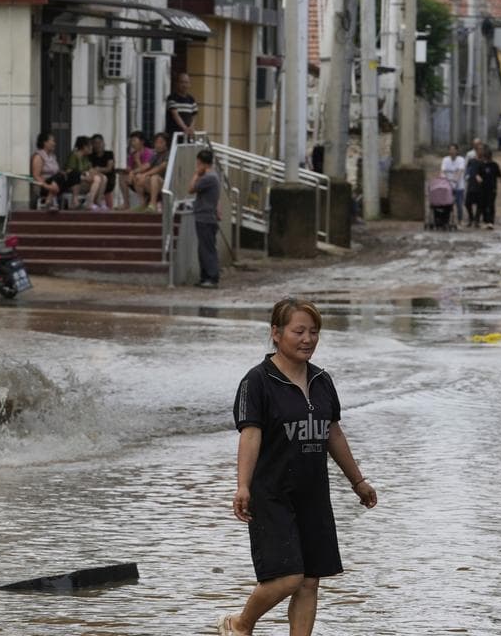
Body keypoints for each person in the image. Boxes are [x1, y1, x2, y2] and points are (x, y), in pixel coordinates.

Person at [221, 298, 377, 636]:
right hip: (272, 494)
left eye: (314, 332)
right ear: (276, 334)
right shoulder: (257, 381)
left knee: (309, 582)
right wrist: (243, 486)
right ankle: (240, 624)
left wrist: (358, 481)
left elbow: (333, 432)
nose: (307, 339)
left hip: (313, 494)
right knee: (288, 578)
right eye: (298, 331)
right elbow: (250, 436)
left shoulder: (322, 380)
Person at [190, 149, 220, 288]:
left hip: (205, 217)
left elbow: (191, 189)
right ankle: (205, 277)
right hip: (206, 215)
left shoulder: (208, 178)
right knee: (203, 248)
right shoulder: (214, 176)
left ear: (202, 163)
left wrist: (196, 174)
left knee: (207, 248)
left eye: (198, 163)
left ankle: (211, 277)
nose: (196, 166)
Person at [30, 131, 70, 210]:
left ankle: (50, 199)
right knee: (59, 176)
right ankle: (49, 201)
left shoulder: (52, 156)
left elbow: (56, 172)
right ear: (45, 143)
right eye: (52, 141)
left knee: (74, 174)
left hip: (56, 185)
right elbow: (36, 176)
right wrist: (48, 186)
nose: (54, 143)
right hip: (44, 186)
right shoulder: (39, 156)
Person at [66, 136, 108, 210]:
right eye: (90, 145)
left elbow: (90, 170)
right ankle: (90, 202)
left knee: (104, 178)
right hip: (76, 183)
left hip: (85, 181)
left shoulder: (85, 157)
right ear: (84, 147)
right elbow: (69, 172)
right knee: (97, 179)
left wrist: (97, 173)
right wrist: (85, 177)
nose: (92, 147)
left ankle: (98, 200)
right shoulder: (74, 156)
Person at [474, 146, 501, 230]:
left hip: (492, 188)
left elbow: (499, 176)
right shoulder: (481, 165)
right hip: (482, 188)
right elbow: (477, 174)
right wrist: (478, 178)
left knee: (491, 205)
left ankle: (490, 222)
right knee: (481, 205)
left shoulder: (494, 165)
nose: (487, 158)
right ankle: (477, 221)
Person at [121, 131, 154, 209]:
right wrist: (126, 170)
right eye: (131, 141)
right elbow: (130, 168)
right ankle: (126, 203)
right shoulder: (133, 154)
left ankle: (142, 202)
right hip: (134, 177)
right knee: (122, 177)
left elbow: (145, 169)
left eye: (134, 140)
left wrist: (137, 160)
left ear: (142, 141)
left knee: (138, 176)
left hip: (147, 178)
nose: (132, 143)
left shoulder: (148, 152)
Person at [166, 73, 199, 142]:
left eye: (186, 82)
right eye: (182, 82)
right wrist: (184, 128)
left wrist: (191, 127)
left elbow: (194, 115)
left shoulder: (191, 99)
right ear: (177, 83)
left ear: (189, 84)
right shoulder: (172, 98)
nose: (184, 85)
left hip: (187, 136)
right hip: (175, 135)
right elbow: (175, 115)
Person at [439, 144, 466, 224]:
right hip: (448, 186)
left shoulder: (461, 159)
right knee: (446, 204)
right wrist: (443, 178)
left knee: (459, 204)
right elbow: (442, 171)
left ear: (457, 151)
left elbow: (460, 170)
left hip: (459, 186)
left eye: (454, 150)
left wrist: (456, 179)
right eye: (450, 150)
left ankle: (460, 220)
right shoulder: (445, 160)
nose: (452, 151)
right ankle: (445, 220)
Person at [89, 133, 117, 209]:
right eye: (95, 143)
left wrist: (99, 169)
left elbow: (109, 168)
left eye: (100, 142)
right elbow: (90, 169)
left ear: (103, 143)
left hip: (108, 178)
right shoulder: (90, 156)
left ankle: (99, 202)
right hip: (95, 178)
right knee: (97, 180)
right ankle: (95, 203)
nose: (98, 145)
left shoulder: (109, 154)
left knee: (103, 179)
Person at [463, 138, 483, 227]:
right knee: (468, 203)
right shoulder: (471, 157)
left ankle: (477, 220)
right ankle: (471, 218)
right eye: (475, 145)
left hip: (481, 185)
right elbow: (466, 167)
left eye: (479, 146)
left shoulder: (484, 161)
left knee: (480, 203)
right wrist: (466, 176)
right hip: (471, 183)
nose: (478, 148)